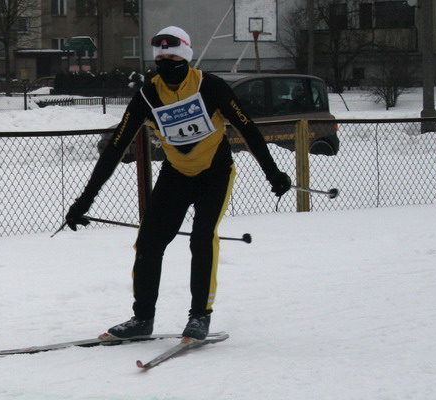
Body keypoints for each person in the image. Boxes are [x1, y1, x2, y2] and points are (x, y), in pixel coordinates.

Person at [65, 26, 290, 340]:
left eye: (173, 57)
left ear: (185, 56)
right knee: (148, 244)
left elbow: (247, 128)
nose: (166, 63)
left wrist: (272, 172)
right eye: (160, 58)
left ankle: (199, 316)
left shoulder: (210, 87)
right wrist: (84, 201)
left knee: (201, 239)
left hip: (215, 173)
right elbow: (115, 148)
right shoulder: (148, 95)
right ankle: (142, 319)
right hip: (176, 175)